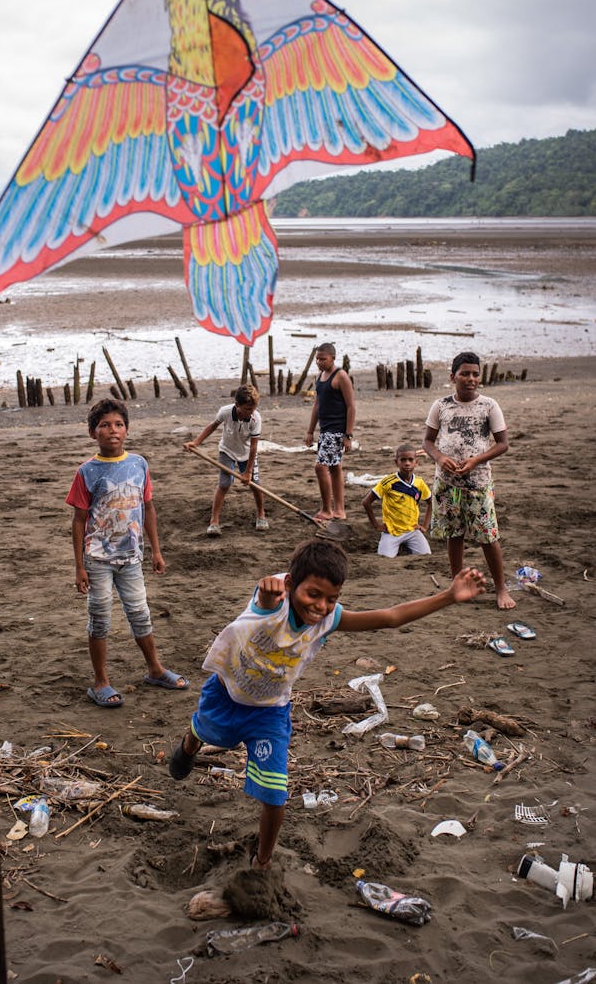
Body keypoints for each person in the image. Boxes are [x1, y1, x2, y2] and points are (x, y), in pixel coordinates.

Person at [169, 538, 485, 869]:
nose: (320, 606)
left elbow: (391, 617)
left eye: (331, 599)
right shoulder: (273, 602)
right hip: (226, 695)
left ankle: (261, 862)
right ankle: (190, 745)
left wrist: (449, 596)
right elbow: (265, 601)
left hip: (270, 713)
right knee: (208, 731)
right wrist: (266, 593)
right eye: (313, 595)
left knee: (276, 795)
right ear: (291, 585)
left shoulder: (328, 618)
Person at [66, 398, 189, 707]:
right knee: (100, 618)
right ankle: (100, 682)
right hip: (98, 559)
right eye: (105, 425)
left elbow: (148, 508)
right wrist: (79, 566)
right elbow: (79, 520)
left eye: (119, 424)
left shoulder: (139, 464)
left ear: (127, 430)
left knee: (140, 613)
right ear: (93, 432)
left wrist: (156, 551)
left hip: (131, 558)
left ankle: (155, 669)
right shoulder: (87, 472)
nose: (113, 431)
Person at [422, 351, 516, 610]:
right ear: (453, 376)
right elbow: (428, 441)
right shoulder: (441, 406)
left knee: (488, 536)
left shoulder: (489, 405)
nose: (470, 378)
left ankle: (501, 587)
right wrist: (440, 458)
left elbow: (503, 444)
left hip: (478, 483)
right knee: (454, 533)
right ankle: (457, 584)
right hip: (447, 484)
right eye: (464, 373)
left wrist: (476, 460)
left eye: (475, 374)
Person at [183, 384, 268, 537]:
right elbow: (212, 426)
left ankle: (261, 515)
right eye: (247, 409)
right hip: (227, 451)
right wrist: (195, 443)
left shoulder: (256, 418)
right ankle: (214, 521)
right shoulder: (226, 411)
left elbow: (254, 448)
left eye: (253, 408)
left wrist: (248, 472)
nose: (251, 412)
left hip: (247, 453)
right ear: (237, 405)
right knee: (224, 484)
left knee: (255, 484)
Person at [304, 343, 355, 521]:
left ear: (333, 358)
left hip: (337, 430)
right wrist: (310, 431)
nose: (319, 362)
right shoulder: (319, 377)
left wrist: (348, 435)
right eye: (317, 359)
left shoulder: (341, 376)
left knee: (320, 467)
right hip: (324, 429)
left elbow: (351, 407)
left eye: (323, 359)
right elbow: (317, 406)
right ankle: (339, 510)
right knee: (334, 467)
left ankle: (327, 509)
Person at [362, 443, 432, 557]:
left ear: (416, 462)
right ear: (396, 462)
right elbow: (366, 502)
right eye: (403, 460)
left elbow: (431, 502)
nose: (407, 463)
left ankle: (406, 546)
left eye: (410, 460)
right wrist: (376, 526)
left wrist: (425, 526)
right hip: (391, 532)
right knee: (385, 559)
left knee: (427, 555)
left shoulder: (420, 483)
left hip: (412, 531)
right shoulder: (388, 482)